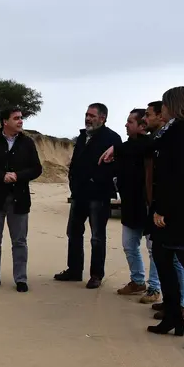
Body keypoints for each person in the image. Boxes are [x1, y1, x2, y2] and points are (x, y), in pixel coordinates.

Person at [101, 86, 184, 351]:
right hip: (169, 209)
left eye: (165, 104)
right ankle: (172, 316)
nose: (161, 109)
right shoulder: (172, 131)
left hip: (182, 212)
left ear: (175, 105)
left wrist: (163, 210)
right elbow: (148, 147)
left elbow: (182, 178)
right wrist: (117, 149)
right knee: (163, 259)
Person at [0, 108, 43, 293]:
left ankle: (21, 279)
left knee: (19, 240)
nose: (21, 121)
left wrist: (18, 175)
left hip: (19, 198)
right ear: (5, 121)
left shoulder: (27, 143)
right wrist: (1, 176)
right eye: (16, 118)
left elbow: (37, 169)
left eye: (21, 118)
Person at [54, 103, 122, 289]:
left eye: (92, 115)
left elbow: (115, 168)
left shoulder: (112, 138)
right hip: (79, 194)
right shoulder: (82, 136)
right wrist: (73, 182)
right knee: (73, 232)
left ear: (103, 118)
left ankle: (96, 275)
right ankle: (74, 270)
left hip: (98, 196)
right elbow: (75, 163)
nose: (88, 118)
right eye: (87, 114)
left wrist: (94, 181)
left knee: (97, 237)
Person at [144, 101, 184, 320]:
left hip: (173, 209)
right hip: (160, 205)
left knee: (176, 259)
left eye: (149, 114)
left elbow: (173, 177)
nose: (147, 119)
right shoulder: (159, 138)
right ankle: (170, 303)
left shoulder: (175, 137)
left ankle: (178, 306)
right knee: (163, 256)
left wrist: (162, 209)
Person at [114, 109, 161, 304]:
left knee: (153, 249)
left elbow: (141, 149)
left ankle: (154, 287)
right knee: (129, 245)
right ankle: (137, 280)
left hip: (148, 205)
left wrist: (114, 149)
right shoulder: (124, 148)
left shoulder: (151, 145)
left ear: (142, 126)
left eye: (130, 122)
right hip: (129, 204)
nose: (126, 125)